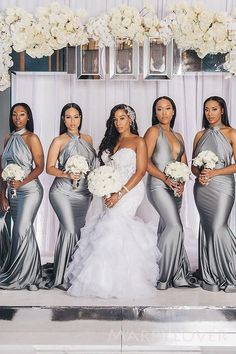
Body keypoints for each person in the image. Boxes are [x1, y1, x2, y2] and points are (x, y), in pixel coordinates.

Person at [65, 104, 160, 298]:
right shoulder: (111, 141)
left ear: (130, 119)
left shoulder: (138, 141)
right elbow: (106, 170)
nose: (118, 123)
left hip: (130, 190)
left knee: (114, 225)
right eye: (115, 119)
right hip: (110, 190)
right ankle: (102, 280)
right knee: (108, 226)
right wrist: (105, 188)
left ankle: (119, 282)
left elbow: (140, 171)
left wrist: (120, 193)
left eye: (122, 118)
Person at [144, 96, 196, 290]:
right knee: (175, 227)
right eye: (159, 109)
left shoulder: (179, 136)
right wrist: (165, 178)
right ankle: (163, 276)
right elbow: (145, 162)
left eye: (168, 108)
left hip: (176, 188)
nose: (164, 112)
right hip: (158, 185)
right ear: (155, 112)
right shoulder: (152, 132)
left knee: (168, 227)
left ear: (173, 111)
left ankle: (177, 272)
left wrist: (182, 183)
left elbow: (184, 164)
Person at [46, 103, 96, 289]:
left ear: (81, 118)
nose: (72, 121)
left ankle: (74, 273)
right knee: (68, 230)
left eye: (76, 117)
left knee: (78, 232)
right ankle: (62, 278)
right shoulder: (58, 140)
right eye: (68, 117)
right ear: (63, 119)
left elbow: (92, 166)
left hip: (83, 193)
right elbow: (49, 168)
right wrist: (67, 174)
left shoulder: (89, 139)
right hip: (62, 192)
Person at [192, 96, 236, 292]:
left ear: (222, 111)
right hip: (202, 188)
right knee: (208, 228)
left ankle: (230, 271)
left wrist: (215, 172)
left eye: (214, 109)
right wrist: (200, 175)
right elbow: (193, 166)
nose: (209, 113)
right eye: (206, 110)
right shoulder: (199, 135)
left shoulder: (232, 133)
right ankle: (210, 272)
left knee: (219, 226)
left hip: (223, 185)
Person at [0, 103, 44, 290]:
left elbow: (40, 167)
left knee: (21, 230)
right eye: (14, 114)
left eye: (22, 114)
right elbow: (2, 169)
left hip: (30, 190)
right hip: (12, 191)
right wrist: (3, 194)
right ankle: (25, 273)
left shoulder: (31, 138)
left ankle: (27, 276)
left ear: (28, 117)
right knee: (17, 232)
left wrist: (22, 182)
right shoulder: (7, 138)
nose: (18, 118)